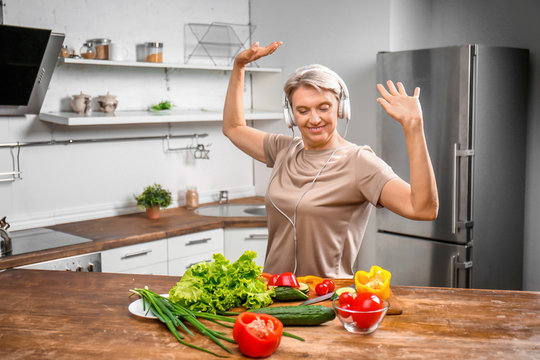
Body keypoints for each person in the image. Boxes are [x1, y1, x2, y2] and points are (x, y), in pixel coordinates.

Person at [223, 41, 439, 278]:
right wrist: (239, 65)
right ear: (290, 115)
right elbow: (233, 127)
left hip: (324, 301)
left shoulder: (359, 162)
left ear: (340, 108)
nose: (314, 119)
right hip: (273, 295)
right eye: (303, 111)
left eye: (324, 108)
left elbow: (423, 209)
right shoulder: (283, 150)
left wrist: (414, 127)